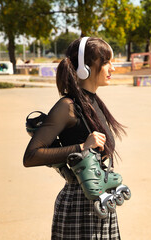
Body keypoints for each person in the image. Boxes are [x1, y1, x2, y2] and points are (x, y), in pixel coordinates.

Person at [23, 37, 126, 240]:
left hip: (100, 202)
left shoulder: (94, 103)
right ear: (84, 68)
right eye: (105, 62)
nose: (112, 68)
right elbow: (31, 156)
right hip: (79, 207)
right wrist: (81, 147)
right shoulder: (67, 106)